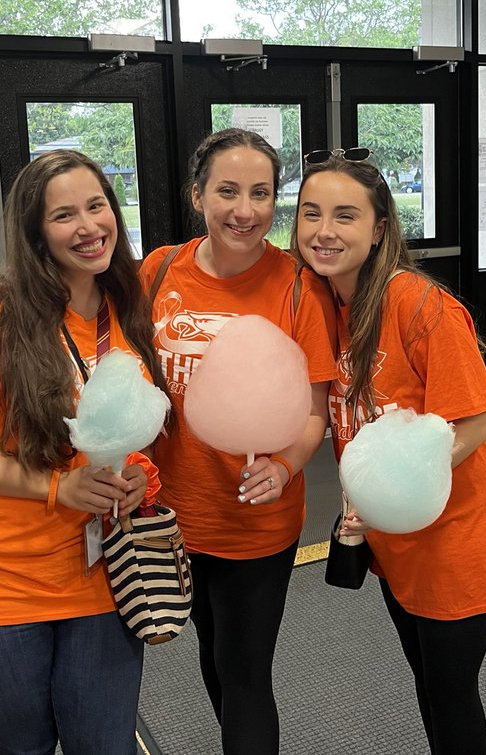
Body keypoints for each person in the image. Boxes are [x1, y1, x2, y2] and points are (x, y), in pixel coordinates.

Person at [0, 150, 169, 755]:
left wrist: (134, 477)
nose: (88, 226)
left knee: (104, 743)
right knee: (22, 745)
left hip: (98, 572)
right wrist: (55, 488)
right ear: (33, 233)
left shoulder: (128, 310)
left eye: (97, 206)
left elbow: (123, 433)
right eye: (63, 215)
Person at [293, 148, 486, 755]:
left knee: (449, 692)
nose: (324, 231)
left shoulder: (416, 303)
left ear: (378, 229)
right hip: (397, 537)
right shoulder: (331, 306)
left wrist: (388, 488)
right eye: (310, 213)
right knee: (427, 682)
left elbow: (477, 423)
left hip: (457, 533)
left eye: (345, 216)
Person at [140, 128, 337, 755]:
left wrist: (283, 466)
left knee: (246, 672)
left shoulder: (299, 287)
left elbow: (314, 414)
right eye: (227, 191)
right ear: (198, 194)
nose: (245, 211)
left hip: (256, 519)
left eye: (260, 193)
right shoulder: (160, 269)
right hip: (175, 512)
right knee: (212, 655)